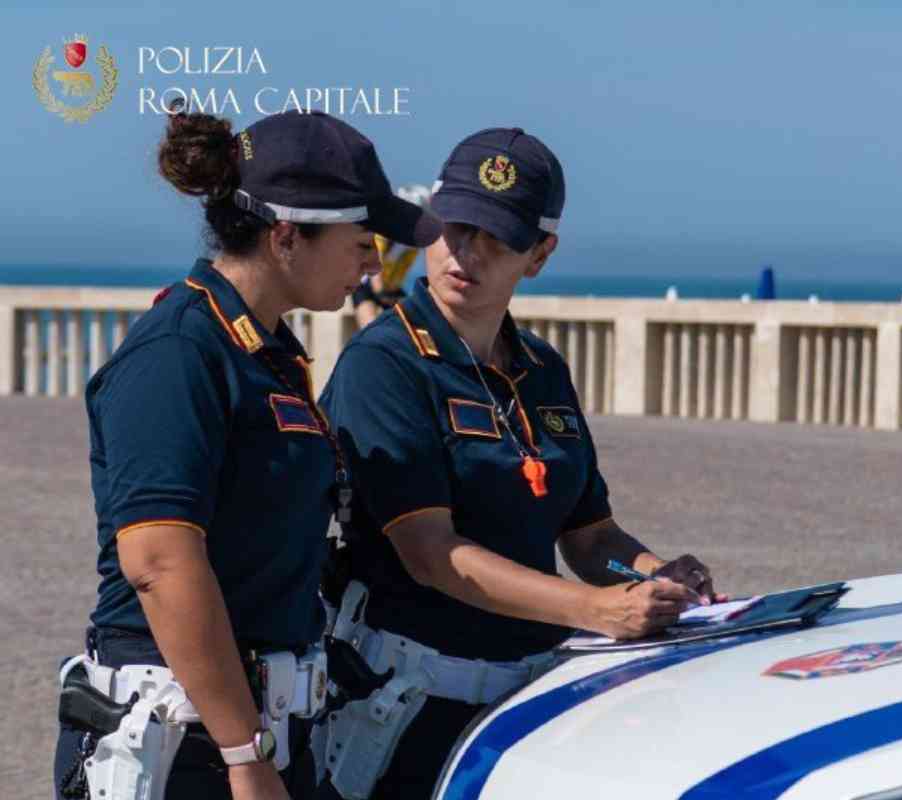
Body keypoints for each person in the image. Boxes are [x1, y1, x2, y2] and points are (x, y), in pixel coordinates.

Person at [316, 128, 724, 799]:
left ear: (539, 255)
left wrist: (655, 577)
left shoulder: (541, 368)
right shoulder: (385, 365)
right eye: (454, 227)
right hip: (405, 714)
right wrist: (596, 609)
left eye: (497, 237)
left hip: (526, 710)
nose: (465, 253)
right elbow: (430, 553)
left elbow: (591, 538)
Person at [52, 107, 440, 800]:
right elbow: (160, 564)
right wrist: (243, 754)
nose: (374, 261)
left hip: (262, 731)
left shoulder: (267, 352)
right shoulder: (180, 353)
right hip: (188, 746)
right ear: (287, 236)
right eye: (361, 238)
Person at [351, 185, 432, 329]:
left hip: (388, 287)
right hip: (366, 284)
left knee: (415, 326)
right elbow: (374, 272)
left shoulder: (413, 242)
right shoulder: (384, 233)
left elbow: (402, 270)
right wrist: (384, 294)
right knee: (369, 329)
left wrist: (392, 293)